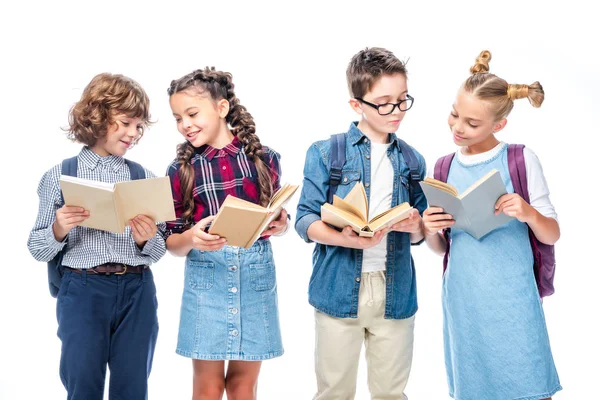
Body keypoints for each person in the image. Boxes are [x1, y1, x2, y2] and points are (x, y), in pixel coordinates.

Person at [422, 50, 562, 400]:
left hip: (513, 298)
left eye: (472, 123)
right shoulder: (442, 167)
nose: (457, 127)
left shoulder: (519, 158)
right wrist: (428, 228)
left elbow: (552, 233)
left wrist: (528, 212)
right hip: (463, 300)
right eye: (455, 114)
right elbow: (444, 247)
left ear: (498, 125)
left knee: (530, 385)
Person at [295, 47, 427, 400]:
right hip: (338, 288)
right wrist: (350, 239)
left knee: (391, 393)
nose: (396, 111)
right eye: (384, 103)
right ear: (357, 105)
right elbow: (305, 218)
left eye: (402, 100)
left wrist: (415, 225)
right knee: (334, 392)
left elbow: (420, 234)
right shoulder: (327, 153)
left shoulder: (413, 160)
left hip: (395, 291)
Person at [27, 73, 165, 400]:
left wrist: (146, 238)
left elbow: (158, 250)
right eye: (126, 122)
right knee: (83, 385)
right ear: (98, 116)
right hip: (83, 289)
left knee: (133, 388)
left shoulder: (143, 176)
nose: (133, 133)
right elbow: (36, 247)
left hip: (138, 289)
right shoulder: (60, 175)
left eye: (139, 126)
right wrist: (59, 227)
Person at [165, 67, 288, 400]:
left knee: (242, 385)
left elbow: (276, 220)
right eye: (178, 118)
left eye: (192, 113)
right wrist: (191, 237)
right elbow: (172, 243)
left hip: (255, 277)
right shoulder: (181, 170)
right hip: (206, 279)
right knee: (206, 387)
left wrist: (281, 225)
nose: (185, 124)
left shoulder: (265, 159)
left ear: (221, 108)